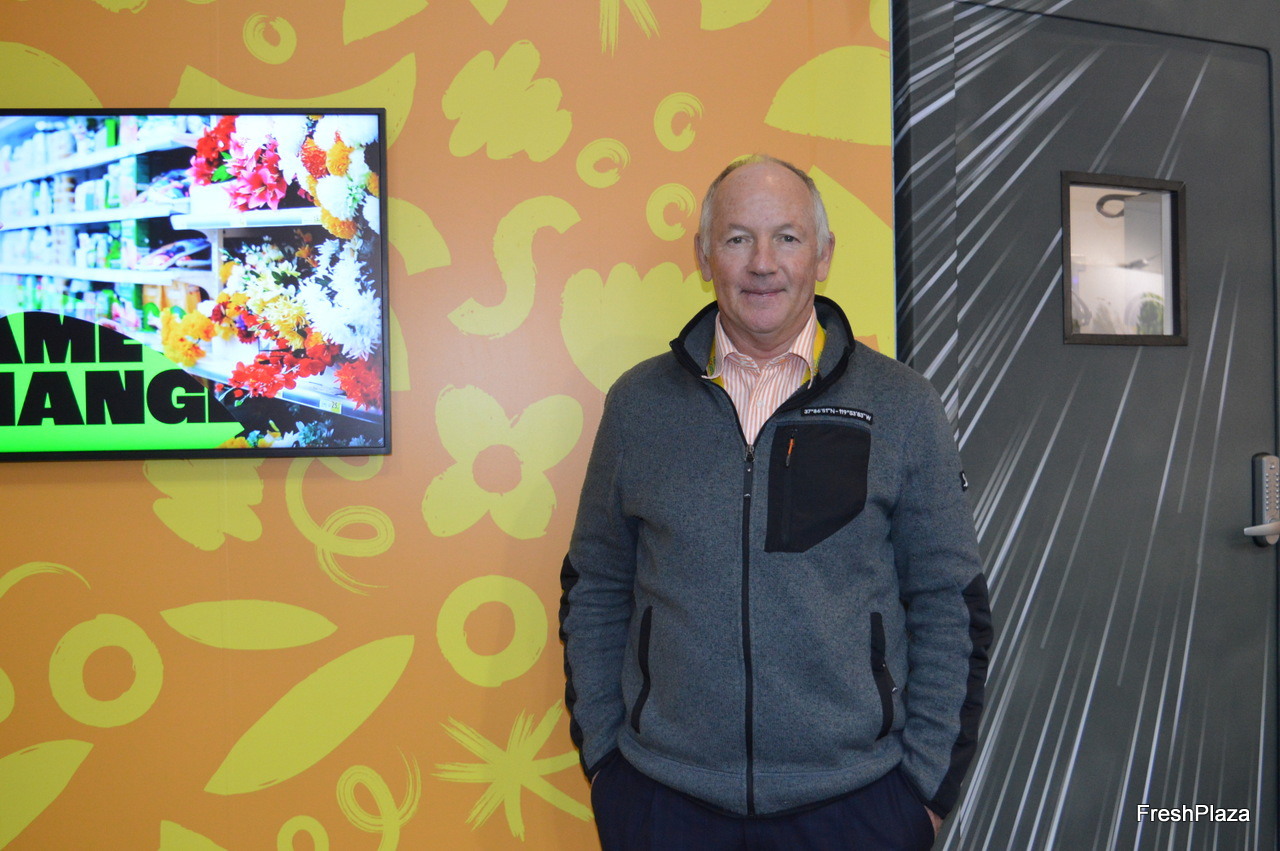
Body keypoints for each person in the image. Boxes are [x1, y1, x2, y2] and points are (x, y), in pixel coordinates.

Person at [559, 155, 992, 850]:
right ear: (705, 256)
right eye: (738, 238)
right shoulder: (638, 406)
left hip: (856, 807)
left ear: (823, 255)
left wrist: (923, 792)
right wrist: (608, 763)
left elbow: (950, 601)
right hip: (664, 803)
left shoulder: (903, 406)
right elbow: (596, 585)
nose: (762, 263)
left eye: (787, 237)